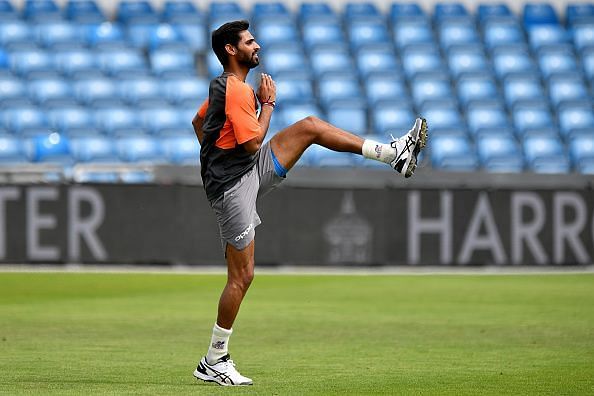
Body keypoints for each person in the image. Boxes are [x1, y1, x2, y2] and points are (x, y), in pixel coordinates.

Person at [191, 20, 427, 387]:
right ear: (231, 50)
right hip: (233, 187)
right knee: (243, 275)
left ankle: (391, 153)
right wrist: (267, 105)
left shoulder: (226, 89)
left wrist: (216, 154)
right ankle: (214, 359)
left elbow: (199, 121)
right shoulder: (236, 91)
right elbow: (253, 143)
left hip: (244, 171)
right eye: (250, 42)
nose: (258, 45)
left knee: (311, 126)